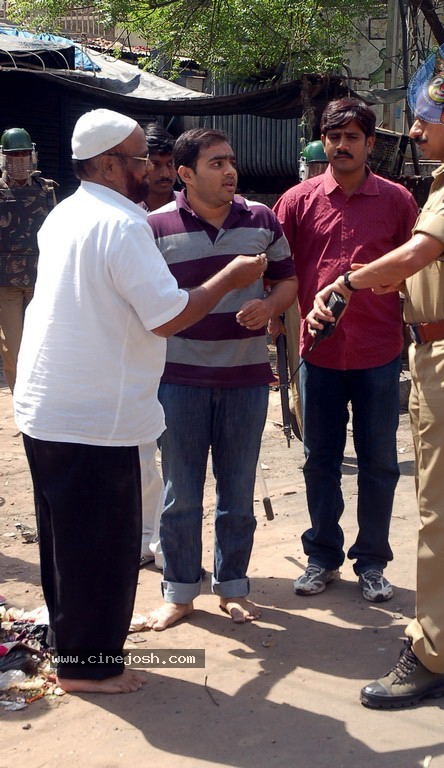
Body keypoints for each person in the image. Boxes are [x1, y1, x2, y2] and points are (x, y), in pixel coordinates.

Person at [12, 109, 267, 695]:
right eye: (138, 159)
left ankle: (74, 647)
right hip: (93, 413)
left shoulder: (66, 214)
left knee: (65, 540)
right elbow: (169, 315)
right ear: (106, 165)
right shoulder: (124, 225)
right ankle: (89, 668)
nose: (151, 168)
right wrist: (228, 279)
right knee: (102, 545)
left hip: (49, 405)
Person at [306, 35, 444, 708]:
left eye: (424, 118)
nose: (416, 129)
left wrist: (342, 285)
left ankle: (430, 652)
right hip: (442, 348)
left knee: (440, 510)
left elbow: (415, 255)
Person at [147, 127, 297, 629]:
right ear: (184, 174)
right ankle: (180, 591)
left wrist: (270, 304)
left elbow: (288, 280)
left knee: (237, 492)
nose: (229, 170)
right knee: (181, 494)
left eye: (230, 161)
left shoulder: (261, 219)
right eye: (216, 163)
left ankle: (232, 586)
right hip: (178, 381)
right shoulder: (155, 228)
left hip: (246, 379)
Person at [273, 99, 418, 602]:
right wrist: (275, 320)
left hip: (380, 353)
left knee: (379, 463)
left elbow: (415, 269)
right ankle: (322, 555)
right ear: (323, 141)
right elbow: (278, 270)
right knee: (320, 461)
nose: (341, 146)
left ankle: (373, 561)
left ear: (370, 144)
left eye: (352, 137)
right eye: (333, 137)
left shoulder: (398, 201)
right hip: (318, 356)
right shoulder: (297, 201)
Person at [138, 123, 178, 569]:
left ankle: (167, 539)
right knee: (140, 451)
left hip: (181, 349)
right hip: (135, 351)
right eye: (156, 164)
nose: (164, 173)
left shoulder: (186, 211)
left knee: (176, 454)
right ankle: (145, 535)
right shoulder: (126, 215)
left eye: (170, 164)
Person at [0, 128, 57, 391]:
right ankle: (19, 398)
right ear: (3, 158)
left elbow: (59, 233)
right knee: (13, 347)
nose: (19, 161)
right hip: (6, 283)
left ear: (32, 156)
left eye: (23, 155)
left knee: (45, 344)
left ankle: (42, 396)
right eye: (14, 156)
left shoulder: (46, 190)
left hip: (40, 281)